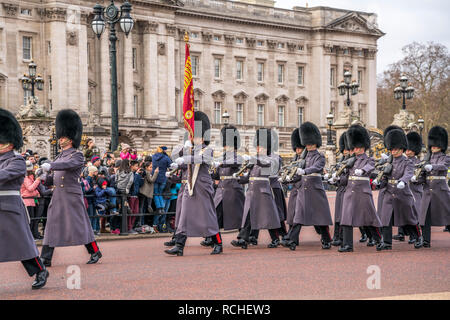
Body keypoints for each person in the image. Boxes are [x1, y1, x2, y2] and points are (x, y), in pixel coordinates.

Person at [40, 109, 102, 266]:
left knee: (80, 225)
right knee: (51, 225)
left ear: (71, 138)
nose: (60, 140)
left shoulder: (77, 155)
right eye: (60, 137)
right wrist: (43, 178)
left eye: (63, 137)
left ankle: (95, 251)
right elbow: (55, 177)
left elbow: (67, 165)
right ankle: (46, 258)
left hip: (71, 195)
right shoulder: (60, 155)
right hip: (58, 195)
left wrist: (51, 165)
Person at [0, 108, 49, 289]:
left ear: (9, 143)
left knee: (20, 244)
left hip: (9, 207)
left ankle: (40, 270)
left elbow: (3, 175)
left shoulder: (17, 161)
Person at [164, 111, 223, 256]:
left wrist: (184, 159)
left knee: (207, 216)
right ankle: (179, 245)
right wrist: (182, 147)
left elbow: (199, 159)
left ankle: (218, 243)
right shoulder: (188, 148)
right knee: (183, 216)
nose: (193, 138)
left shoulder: (207, 150)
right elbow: (175, 155)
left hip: (202, 187)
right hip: (189, 187)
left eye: (195, 136)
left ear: (203, 138)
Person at [280, 122, 333, 250]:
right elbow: (297, 172)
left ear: (315, 142)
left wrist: (305, 171)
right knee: (299, 215)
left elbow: (317, 167)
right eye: (307, 143)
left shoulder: (319, 156)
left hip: (315, 190)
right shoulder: (303, 157)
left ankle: (326, 239)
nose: (308, 145)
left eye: (310, 143)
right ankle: (292, 240)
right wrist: (288, 178)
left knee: (320, 217)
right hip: (304, 189)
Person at [231, 128, 281, 249]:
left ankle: (275, 239)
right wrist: (238, 178)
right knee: (249, 216)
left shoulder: (272, 159)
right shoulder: (256, 160)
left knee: (269, 217)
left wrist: (255, 160)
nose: (258, 149)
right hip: (252, 193)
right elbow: (250, 177)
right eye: (257, 147)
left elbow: (268, 167)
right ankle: (243, 239)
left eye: (261, 147)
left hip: (264, 192)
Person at [373, 128, 423, 250]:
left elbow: (408, 173)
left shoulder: (407, 162)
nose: (393, 151)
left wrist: (403, 181)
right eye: (392, 149)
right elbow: (385, 176)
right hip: (389, 192)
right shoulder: (388, 162)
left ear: (401, 149)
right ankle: (387, 242)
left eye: (395, 149)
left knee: (408, 218)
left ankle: (417, 237)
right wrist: (379, 181)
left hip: (403, 193)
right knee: (386, 218)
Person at [338, 124, 384, 252]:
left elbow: (370, 167)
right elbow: (345, 177)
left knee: (369, 218)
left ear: (363, 147)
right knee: (346, 218)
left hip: (363, 193)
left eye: (357, 147)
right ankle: (348, 245)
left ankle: (378, 240)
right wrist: (337, 179)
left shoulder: (369, 159)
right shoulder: (350, 161)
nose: (355, 150)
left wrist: (362, 170)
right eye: (354, 147)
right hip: (349, 192)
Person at [204, 125, 245, 247]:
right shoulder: (223, 156)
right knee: (215, 215)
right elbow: (217, 175)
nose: (226, 147)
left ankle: (244, 238)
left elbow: (235, 162)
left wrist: (221, 163)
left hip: (233, 190)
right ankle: (212, 238)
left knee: (239, 216)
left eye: (228, 144)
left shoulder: (237, 156)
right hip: (221, 190)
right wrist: (212, 172)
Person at [416, 126, 450, 247]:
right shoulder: (427, 158)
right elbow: (423, 175)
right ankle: (425, 241)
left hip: (440, 191)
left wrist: (432, 167)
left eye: (436, 145)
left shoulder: (445, 158)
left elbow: (444, 166)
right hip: (427, 192)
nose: (434, 147)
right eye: (433, 145)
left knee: (447, 215)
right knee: (424, 218)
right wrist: (416, 178)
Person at [394, 131, 424, 243]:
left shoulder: (418, 162)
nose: (408, 151)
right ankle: (401, 233)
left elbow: (422, 177)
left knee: (413, 213)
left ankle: (414, 236)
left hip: (415, 190)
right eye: (407, 149)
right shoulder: (401, 161)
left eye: (410, 149)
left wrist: (416, 179)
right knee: (402, 211)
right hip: (404, 190)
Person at [328, 131, 351, 247]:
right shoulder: (341, 160)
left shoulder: (353, 161)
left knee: (346, 215)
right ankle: (337, 236)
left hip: (349, 190)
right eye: (344, 150)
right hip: (340, 190)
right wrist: (334, 179)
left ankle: (369, 235)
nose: (345, 152)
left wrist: (339, 179)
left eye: (347, 149)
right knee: (338, 215)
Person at [152, 145, 173, 228]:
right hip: (163, 178)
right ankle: (161, 208)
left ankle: (159, 207)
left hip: (155, 176)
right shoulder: (166, 158)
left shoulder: (153, 156)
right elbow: (171, 166)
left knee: (156, 193)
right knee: (160, 193)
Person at [21, 161, 42, 240]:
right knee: (30, 220)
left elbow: (32, 189)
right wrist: (37, 180)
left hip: (32, 200)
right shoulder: (25, 178)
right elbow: (30, 188)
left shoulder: (29, 178)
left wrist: (36, 193)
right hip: (27, 201)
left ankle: (32, 235)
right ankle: (29, 237)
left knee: (33, 220)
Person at [139, 161, 159, 227]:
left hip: (146, 192)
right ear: (146, 167)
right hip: (144, 192)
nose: (152, 168)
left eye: (152, 167)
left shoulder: (148, 172)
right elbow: (151, 180)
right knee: (141, 208)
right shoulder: (147, 172)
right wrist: (156, 173)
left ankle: (142, 222)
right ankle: (140, 223)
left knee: (143, 208)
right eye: (150, 167)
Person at [128, 160, 144, 233]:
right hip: (131, 195)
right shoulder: (130, 173)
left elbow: (140, 184)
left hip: (136, 195)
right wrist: (137, 174)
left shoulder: (136, 174)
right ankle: (129, 228)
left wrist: (142, 176)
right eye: (136, 166)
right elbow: (133, 182)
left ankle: (132, 226)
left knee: (135, 211)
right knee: (131, 212)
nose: (138, 168)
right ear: (132, 166)